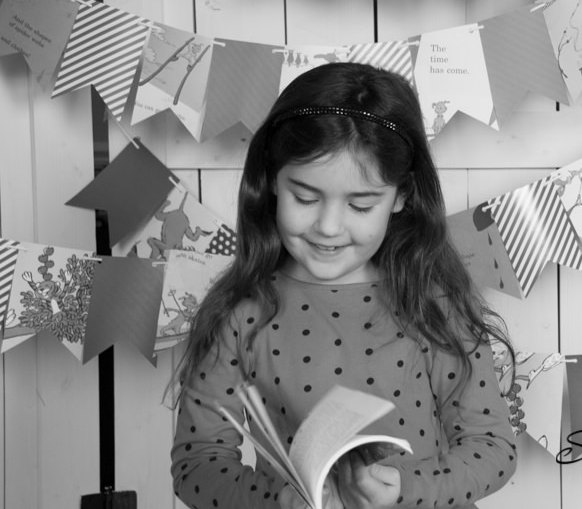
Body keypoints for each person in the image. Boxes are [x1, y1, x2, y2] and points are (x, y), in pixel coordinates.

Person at [170, 62, 517, 509]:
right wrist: (277, 501)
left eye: (361, 205)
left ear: (402, 195)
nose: (329, 227)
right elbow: (198, 464)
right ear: (271, 179)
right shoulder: (239, 314)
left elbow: (492, 448)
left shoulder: (433, 303)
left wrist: (405, 488)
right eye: (305, 197)